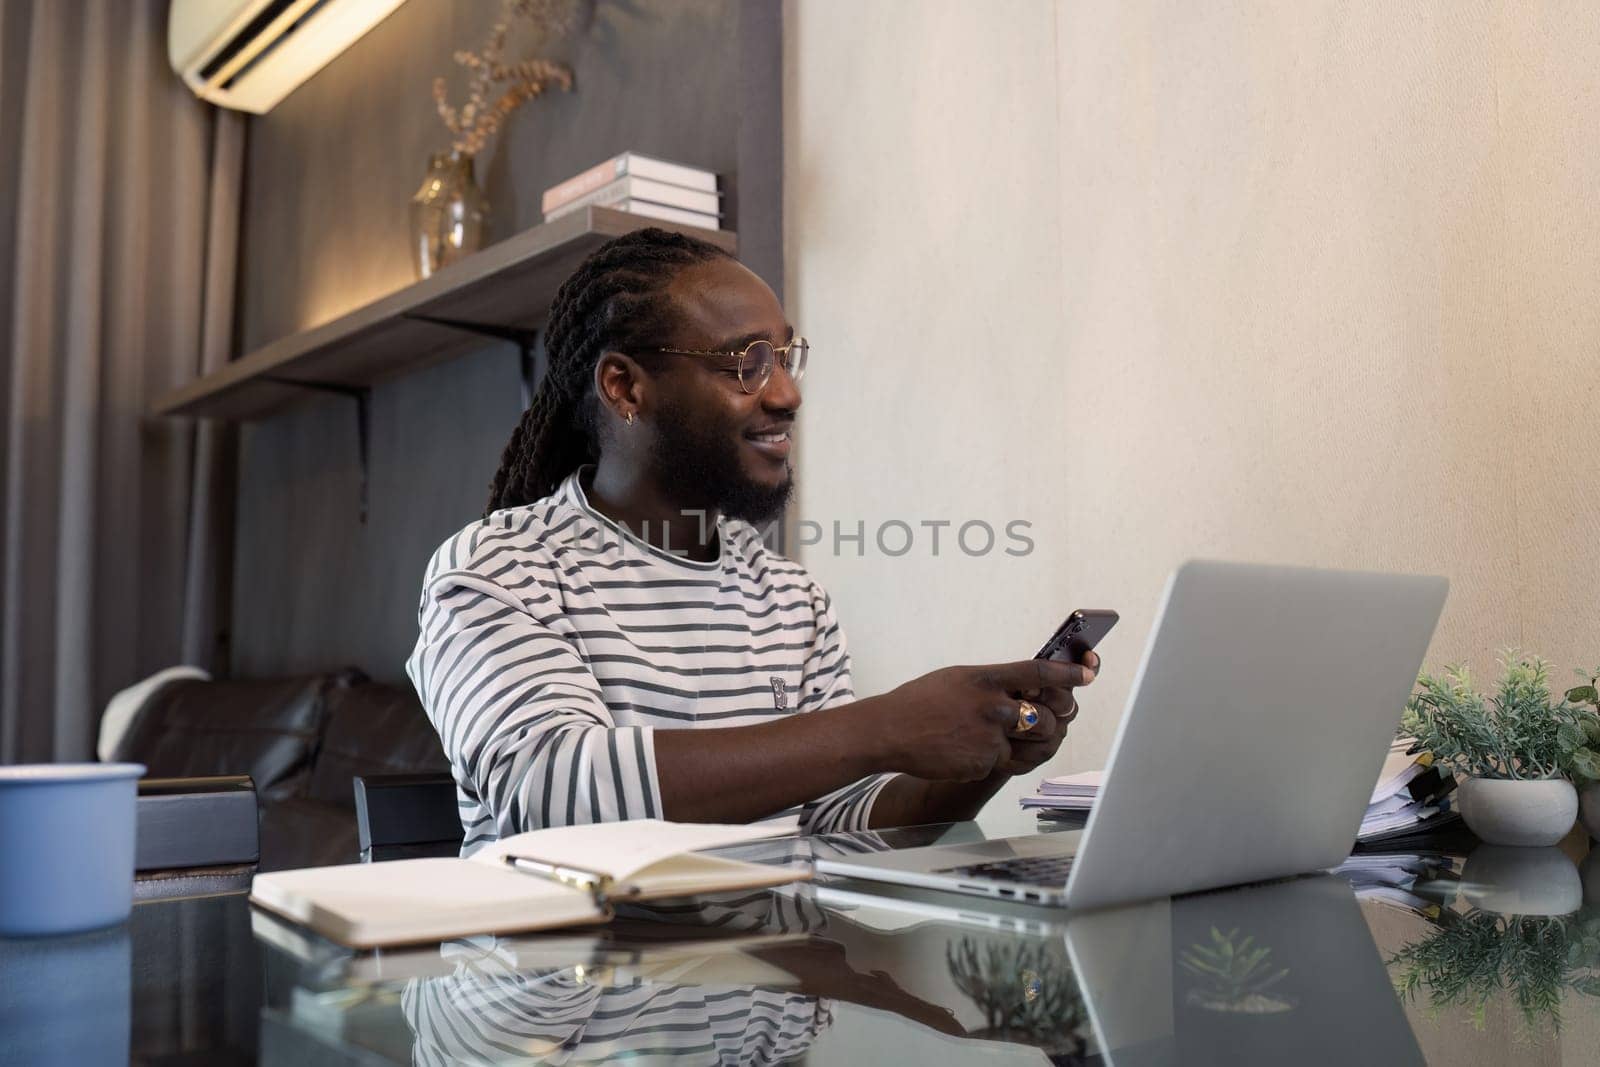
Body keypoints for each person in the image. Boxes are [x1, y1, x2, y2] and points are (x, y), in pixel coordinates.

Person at [405, 228, 1096, 853]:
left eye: (786, 355)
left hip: (765, 984)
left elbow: (832, 822)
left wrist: (984, 759)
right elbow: (550, 796)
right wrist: (881, 727)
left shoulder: (792, 599)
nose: (788, 393)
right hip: (566, 987)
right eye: (747, 362)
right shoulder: (498, 569)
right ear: (625, 387)